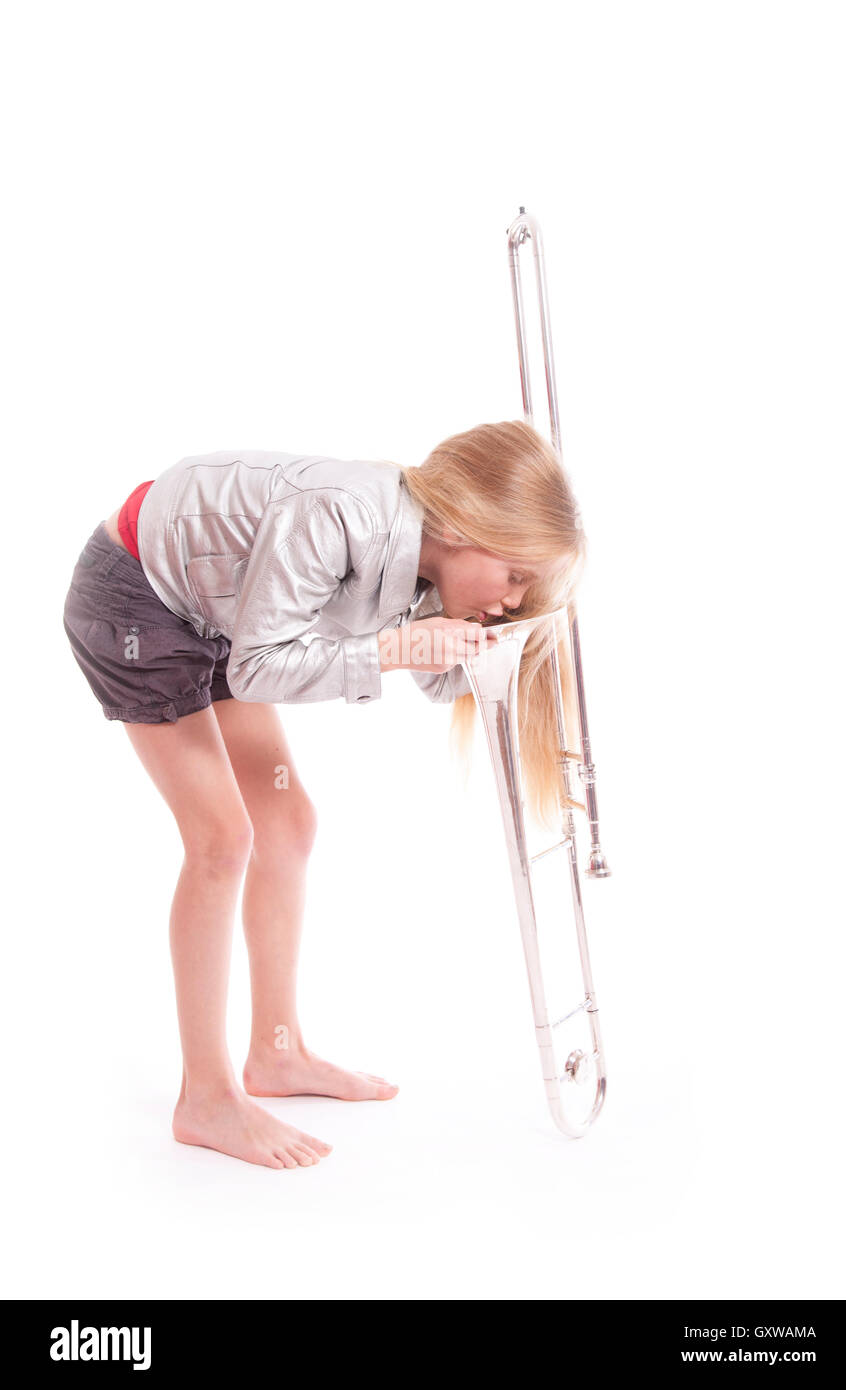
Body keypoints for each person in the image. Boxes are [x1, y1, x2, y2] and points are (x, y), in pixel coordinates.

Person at [62, 419, 586, 1170]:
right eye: (515, 577)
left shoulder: (428, 565)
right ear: (469, 525)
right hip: (138, 600)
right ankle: (204, 1098)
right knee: (221, 840)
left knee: (288, 821)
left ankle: (276, 1054)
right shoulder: (340, 513)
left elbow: (436, 681)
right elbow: (262, 669)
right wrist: (400, 648)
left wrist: (485, 644)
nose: (513, 598)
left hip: (217, 615)